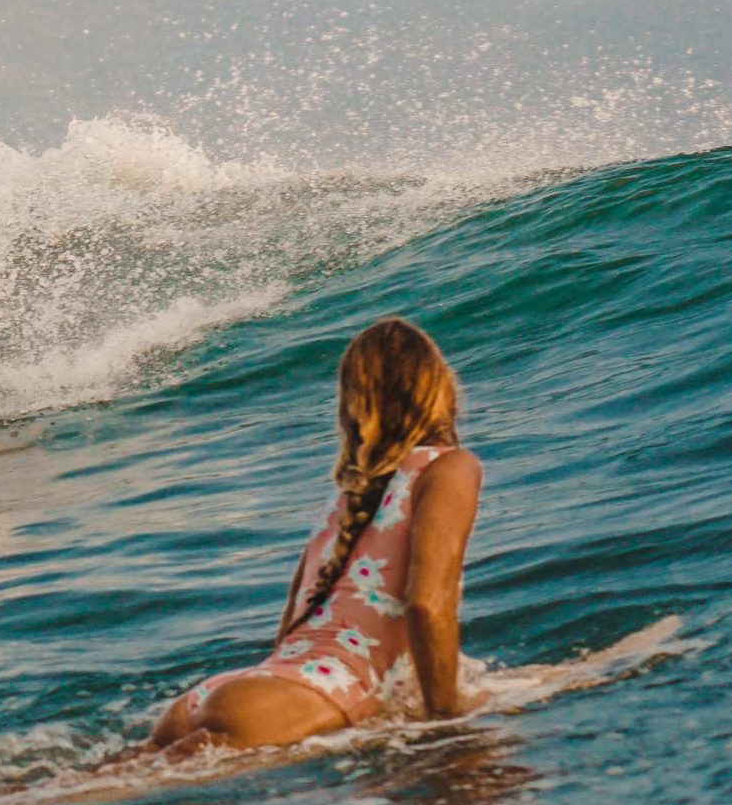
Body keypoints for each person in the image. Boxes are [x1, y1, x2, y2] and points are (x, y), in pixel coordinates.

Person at [146, 317, 484, 754]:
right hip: (297, 699)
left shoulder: (348, 497)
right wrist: (448, 726)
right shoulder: (451, 466)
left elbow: (290, 626)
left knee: (96, 785)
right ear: (439, 389)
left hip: (243, 690)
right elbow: (426, 603)